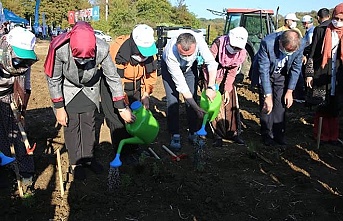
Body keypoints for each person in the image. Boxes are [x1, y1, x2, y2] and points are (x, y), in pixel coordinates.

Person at [44, 22, 135, 181]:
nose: (83, 63)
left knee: (88, 123)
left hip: (90, 87)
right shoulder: (59, 48)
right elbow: (54, 79)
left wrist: (121, 107)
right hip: (68, 87)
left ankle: (88, 158)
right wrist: (59, 107)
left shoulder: (102, 48)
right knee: (72, 125)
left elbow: (112, 77)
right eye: (78, 58)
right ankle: (76, 163)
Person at [100, 24, 158, 153]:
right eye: (141, 52)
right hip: (113, 87)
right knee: (119, 121)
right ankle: (122, 153)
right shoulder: (118, 49)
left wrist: (146, 94)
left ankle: (134, 149)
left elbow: (150, 75)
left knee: (134, 119)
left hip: (135, 86)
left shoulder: (151, 52)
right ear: (134, 44)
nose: (143, 57)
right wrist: (122, 106)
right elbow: (115, 81)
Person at [161, 31, 218, 150]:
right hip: (170, 69)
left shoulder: (199, 41)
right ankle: (174, 134)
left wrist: (211, 86)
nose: (186, 57)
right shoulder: (170, 53)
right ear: (177, 46)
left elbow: (211, 63)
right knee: (173, 100)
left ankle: (193, 132)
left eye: (189, 54)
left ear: (195, 45)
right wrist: (197, 108)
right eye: (183, 55)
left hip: (190, 68)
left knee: (192, 96)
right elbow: (181, 85)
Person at [251, 30, 304, 146]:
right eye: (286, 50)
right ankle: (267, 135)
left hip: (282, 75)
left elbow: (296, 68)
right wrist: (267, 95)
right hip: (267, 73)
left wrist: (290, 91)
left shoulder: (300, 45)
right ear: (280, 42)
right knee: (267, 106)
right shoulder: (267, 43)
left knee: (280, 105)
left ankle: (278, 135)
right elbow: (264, 70)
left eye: (291, 51)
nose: (288, 53)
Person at [0, 27, 38, 181]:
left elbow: (26, 86)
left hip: (10, 95)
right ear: (9, 49)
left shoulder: (25, 62)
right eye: (18, 59)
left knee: (18, 133)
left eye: (25, 60)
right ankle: (4, 168)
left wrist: (22, 112)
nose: (22, 64)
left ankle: (25, 171)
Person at [305, 4, 343, 145]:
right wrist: (309, 73)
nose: (338, 21)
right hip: (322, 71)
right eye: (336, 18)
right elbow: (313, 53)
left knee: (335, 106)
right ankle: (320, 135)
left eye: (341, 19)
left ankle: (333, 137)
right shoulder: (321, 30)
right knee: (321, 104)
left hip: (338, 75)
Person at [206, 27, 248, 146]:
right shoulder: (218, 44)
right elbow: (207, 64)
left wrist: (227, 89)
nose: (235, 49)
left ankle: (233, 133)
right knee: (215, 105)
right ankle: (217, 134)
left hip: (227, 76)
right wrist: (213, 85)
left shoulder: (242, 53)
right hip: (211, 74)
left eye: (237, 48)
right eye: (234, 46)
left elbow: (232, 72)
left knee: (230, 102)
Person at [294, 15, 315, 103]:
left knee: (306, 76)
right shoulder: (309, 31)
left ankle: (305, 96)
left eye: (303, 23)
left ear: (306, 23)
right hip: (307, 56)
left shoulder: (310, 33)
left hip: (308, 57)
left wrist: (305, 55)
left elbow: (310, 46)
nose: (303, 25)